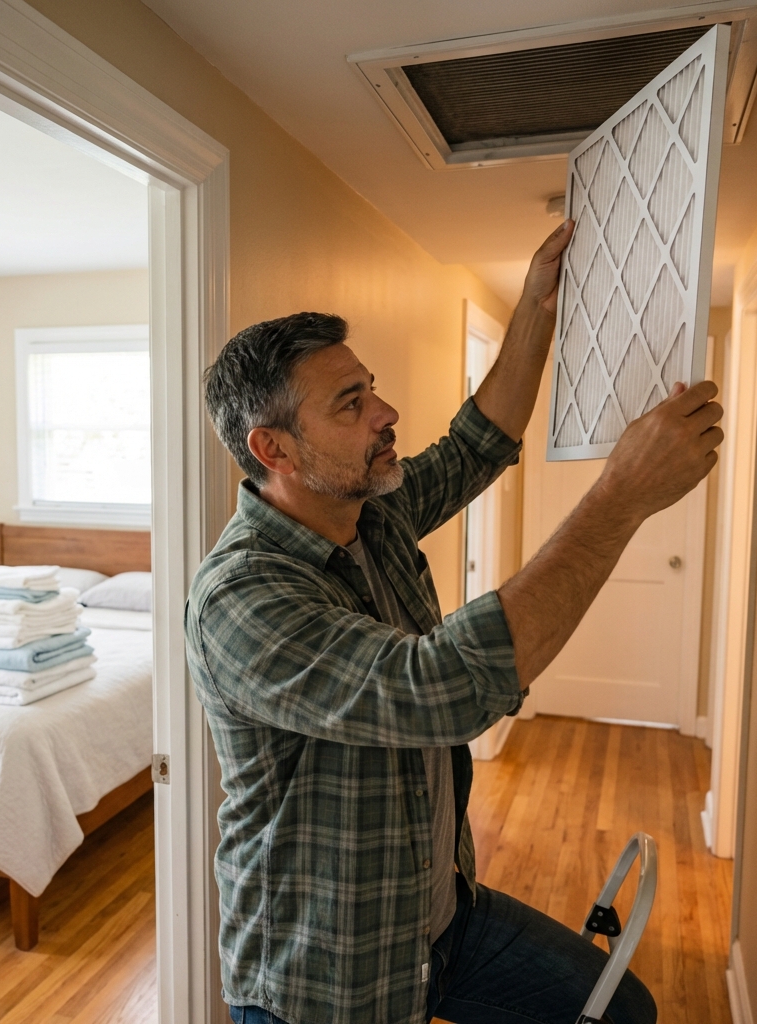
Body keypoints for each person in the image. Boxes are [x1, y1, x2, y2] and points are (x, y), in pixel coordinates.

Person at [185, 221, 723, 1024]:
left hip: (436, 919)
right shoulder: (242, 600)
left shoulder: (368, 514)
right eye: (352, 403)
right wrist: (623, 497)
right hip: (324, 980)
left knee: (624, 1011)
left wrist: (538, 309)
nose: (386, 411)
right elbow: (438, 689)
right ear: (276, 450)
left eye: (371, 387)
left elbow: (478, 444)